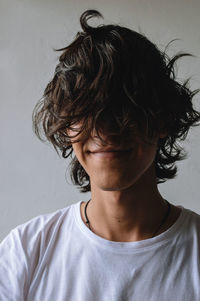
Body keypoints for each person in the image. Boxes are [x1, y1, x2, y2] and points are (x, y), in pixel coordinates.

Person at [1, 9, 200, 301]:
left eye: (123, 106)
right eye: (84, 109)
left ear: (162, 119)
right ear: (66, 126)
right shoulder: (24, 254)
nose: (102, 130)